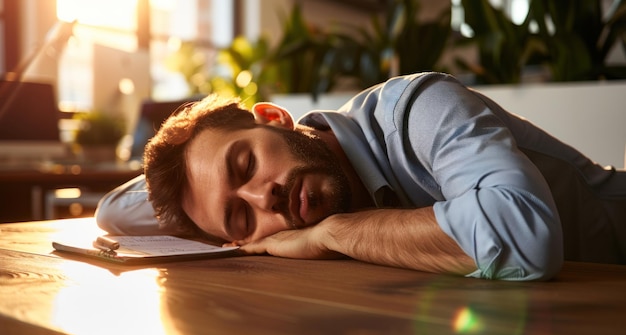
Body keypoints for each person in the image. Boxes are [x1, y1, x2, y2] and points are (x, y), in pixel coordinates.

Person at [96, 72, 626, 281]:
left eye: (246, 163)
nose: (266, 195)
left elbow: (522, 236)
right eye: (239, 213)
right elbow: (114, 213)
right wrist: (196, 173)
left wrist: (334, 234)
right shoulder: (255, 213)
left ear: (275, 119)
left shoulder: (416, 110)